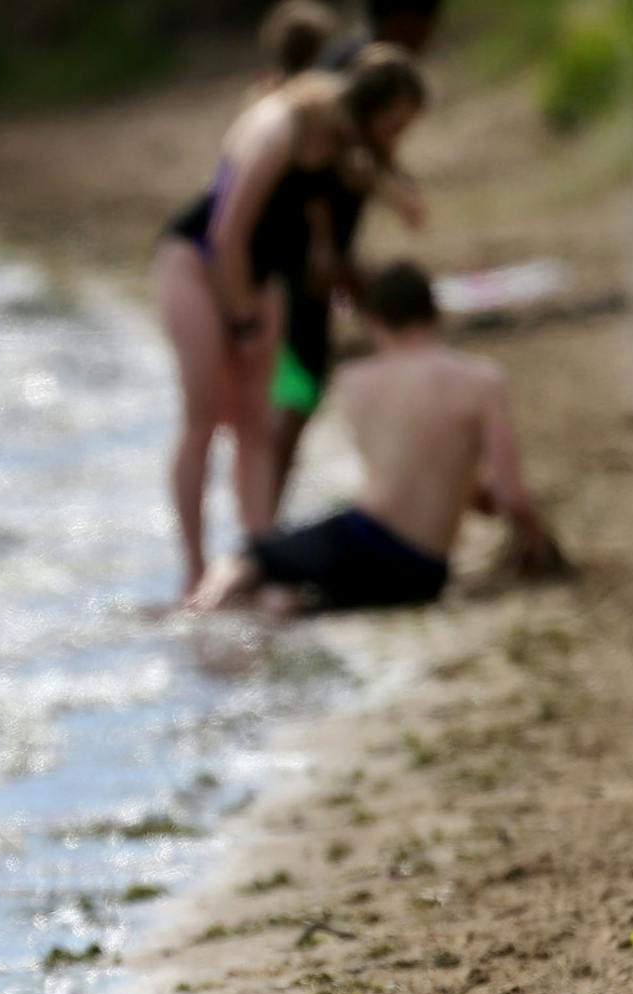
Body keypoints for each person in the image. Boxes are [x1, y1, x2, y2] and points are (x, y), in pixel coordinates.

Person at [155, 45, 426, 598]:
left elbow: (355, 205)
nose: (396, 140)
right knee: (204, 416)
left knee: (256, 424)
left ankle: (263, 558)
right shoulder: (281, 126)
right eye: (395, 127)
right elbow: (227, 232)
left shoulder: (340, 144)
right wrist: (242, 323)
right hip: (197, 263)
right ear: (367, 109)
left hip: (260, 278)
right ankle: (193, 570)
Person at [193, 260, 561, 615]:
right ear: (435, 314)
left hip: (369, 537)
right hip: (424, 573)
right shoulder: (484, 380)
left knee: (250, 559)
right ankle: (279, 607)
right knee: (293, 598)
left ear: (374, 321)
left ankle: (194, 612)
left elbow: (407, 461)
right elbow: (510, 495)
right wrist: (538, 543)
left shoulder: (355, 381)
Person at [270, 0, 450, 510]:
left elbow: (362, 150)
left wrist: (397, 186)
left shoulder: (356, 60)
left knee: (307, 377)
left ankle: (270, 509)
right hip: (305, 256)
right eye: (427, 23)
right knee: (301, 380)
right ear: (404, 18)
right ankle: (264, 518)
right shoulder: (355, 65)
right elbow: (315, 163)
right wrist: (326, 251)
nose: (429, 36)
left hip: (318, 252)